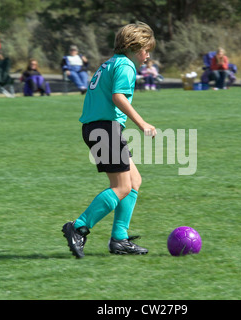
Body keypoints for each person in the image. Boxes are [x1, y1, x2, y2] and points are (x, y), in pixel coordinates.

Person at [61, 22, 157, 258]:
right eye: (146, 50)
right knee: (122, 187)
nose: (147, 56)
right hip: (104, 129)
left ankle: (120, 239)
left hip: (99, 128)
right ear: (136, 47)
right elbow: (118, 97)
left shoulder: (111, 63)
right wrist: (142, 123)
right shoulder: (126, 66)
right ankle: (79, 227)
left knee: (134, 181)